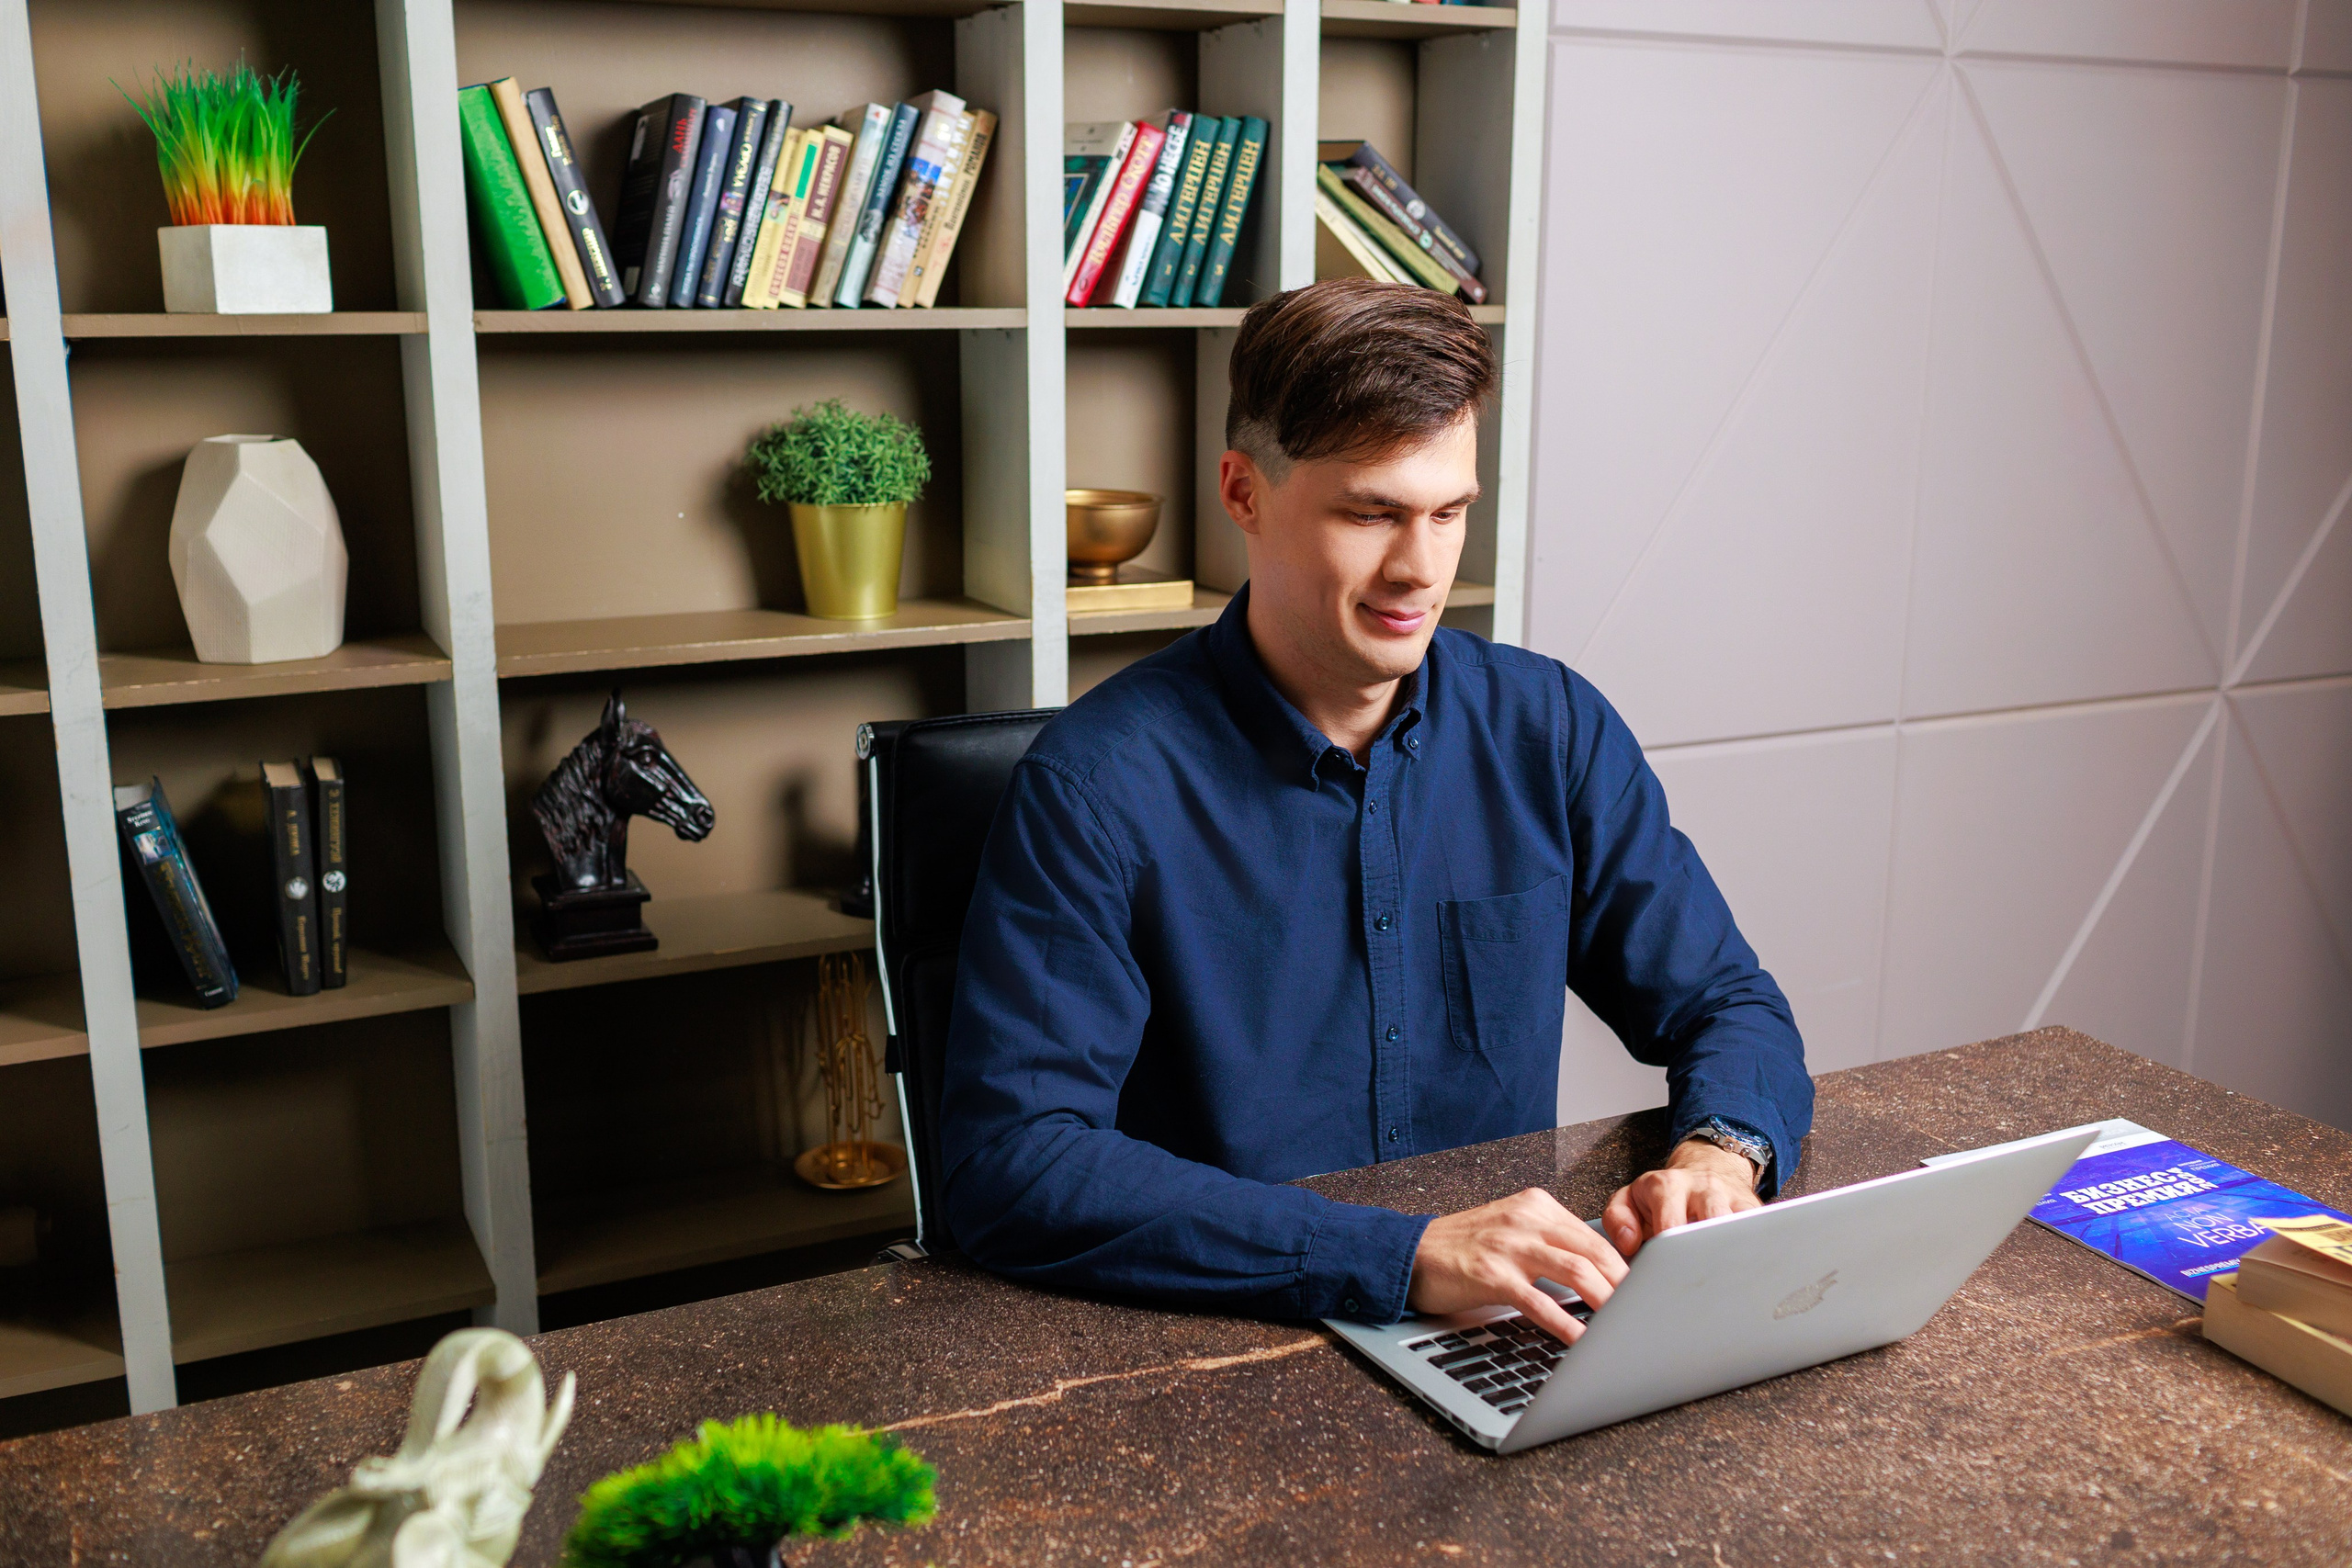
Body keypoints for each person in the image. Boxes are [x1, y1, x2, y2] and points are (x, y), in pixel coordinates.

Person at [938, 279, 1812, 1343]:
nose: (1420, 570)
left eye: (1449, 513)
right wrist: (1397, 1256)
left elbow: (1726, 1001)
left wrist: (1722, 1153)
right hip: (1230, 1334)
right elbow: (1014, 1163)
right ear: (1243, 492)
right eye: (1371, 513)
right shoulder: (1094, 787)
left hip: (1509, 1320)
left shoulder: (1550, 728)